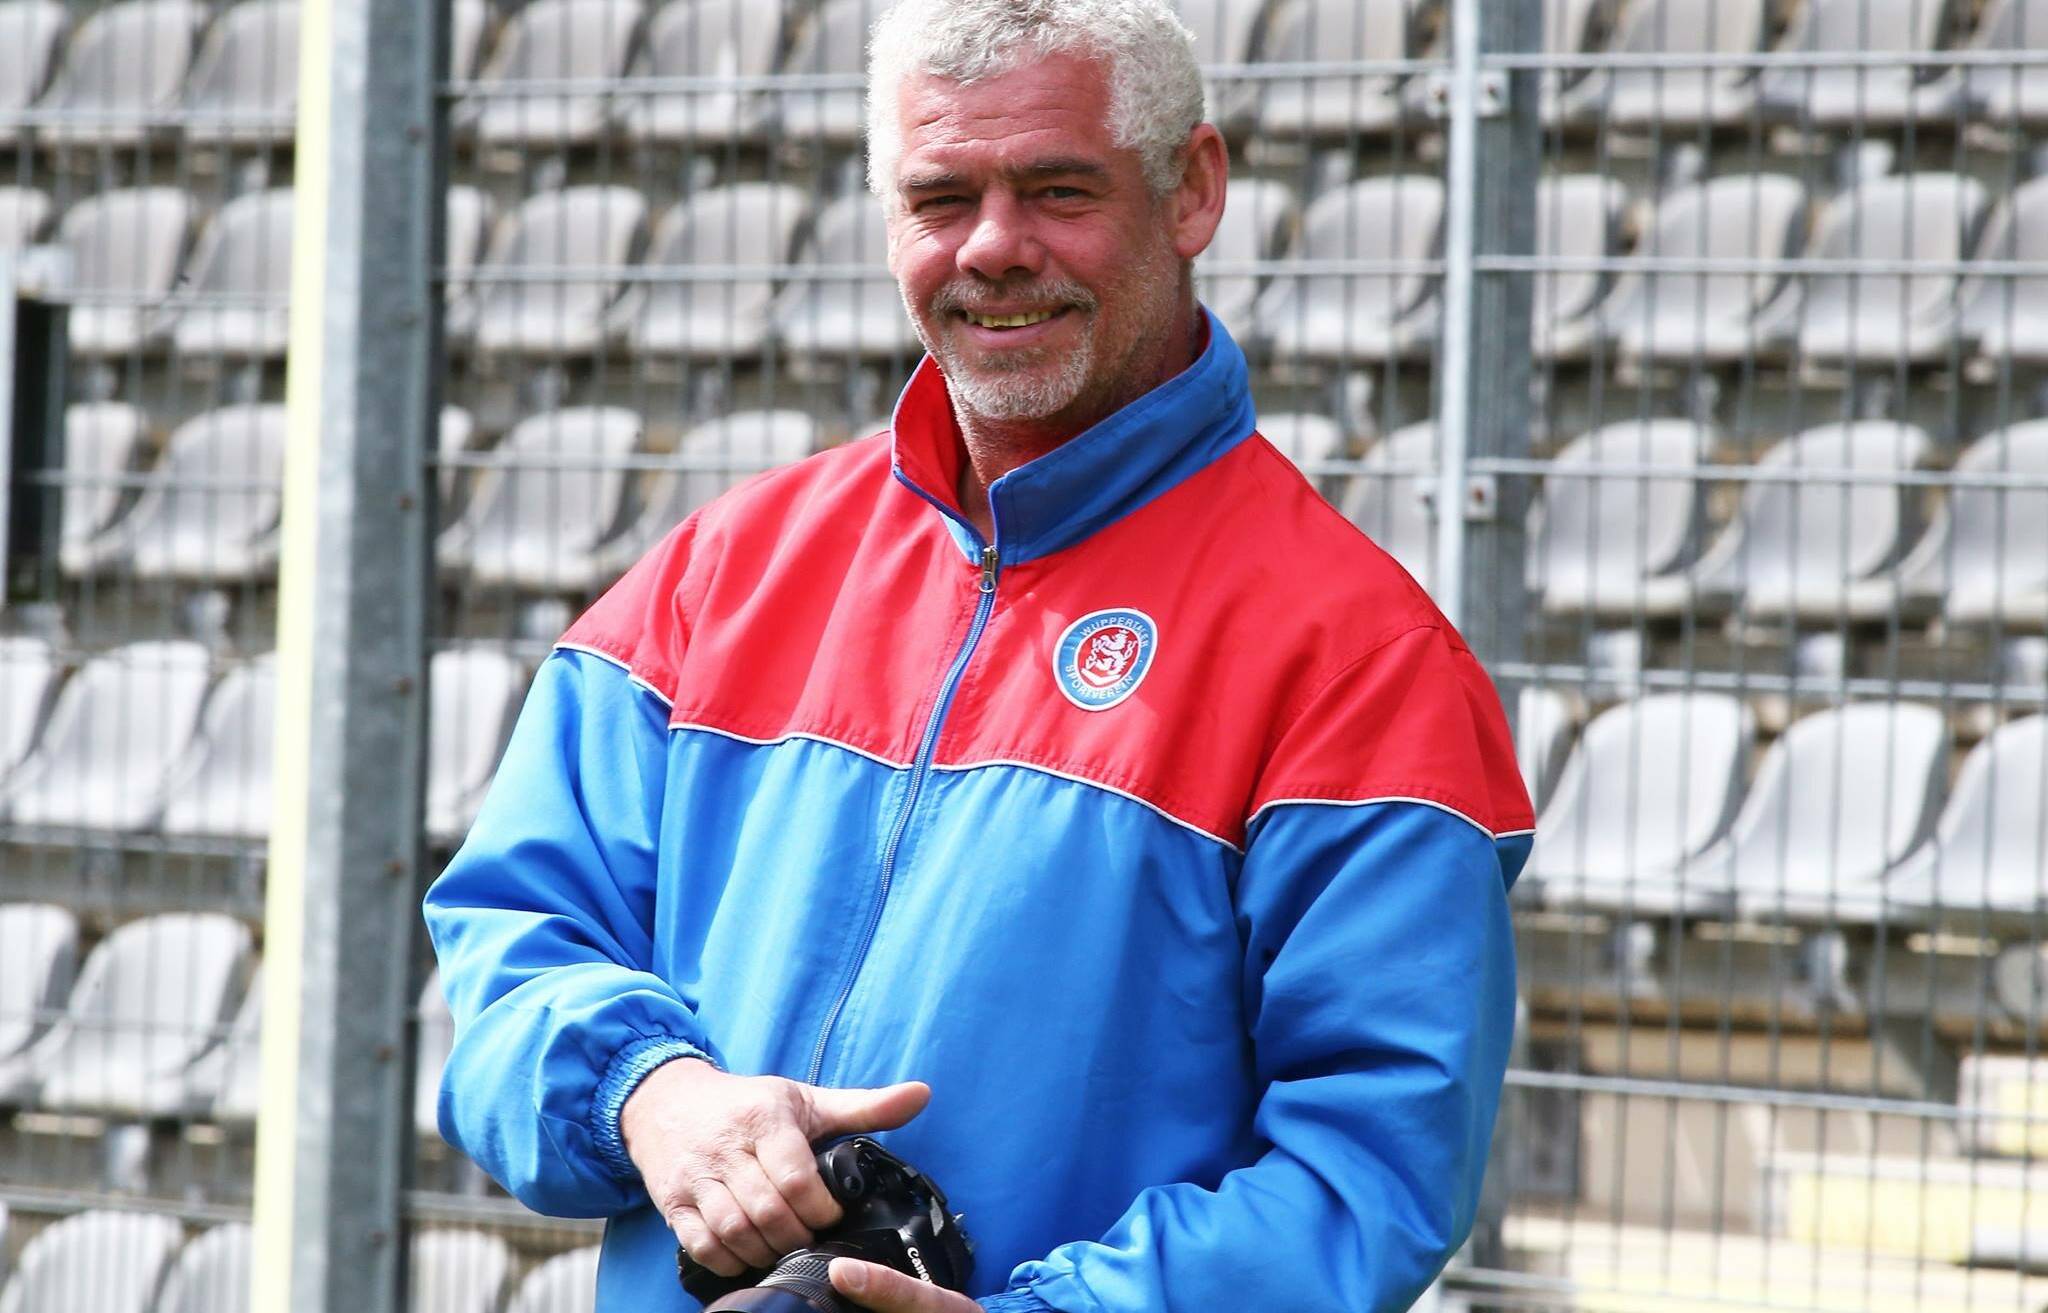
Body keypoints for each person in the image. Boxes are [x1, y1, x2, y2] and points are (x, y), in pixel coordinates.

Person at [423, 0, 1534, 1308]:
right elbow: (512, 939)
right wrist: (648, 1094)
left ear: (1193, 191)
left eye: (1059, 190)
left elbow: (1370, 1174)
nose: (995, 247)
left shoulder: (1363, 659)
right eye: (941, 197)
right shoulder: (722, 573)